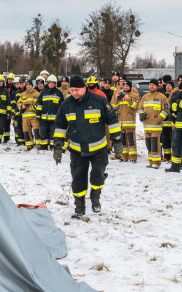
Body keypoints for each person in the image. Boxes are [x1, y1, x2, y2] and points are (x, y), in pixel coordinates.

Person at [52, 75, 123, 218]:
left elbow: (112, 120)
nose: (74, 93)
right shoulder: (66, 104)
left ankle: (95, 196)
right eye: (72, 90)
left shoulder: (99, 101)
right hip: (77, 150)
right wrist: (58, 146)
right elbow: (60, 126)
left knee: (97, 177)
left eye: (77, 90)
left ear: (85, 88)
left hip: (99, 149)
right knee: (78, 179)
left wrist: (117, 140)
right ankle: (79, 206)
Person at [138, 79, 168, 168]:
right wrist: (141, 115)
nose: (151, 86)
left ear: (157, 86)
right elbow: (141, 107)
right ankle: (151, 162)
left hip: (156, 126)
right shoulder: (145, 97)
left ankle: (156, 162)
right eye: (150, 85)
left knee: (155, 144)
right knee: (148, 145)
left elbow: (166, 110)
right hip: (146, 125)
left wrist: (158, 119)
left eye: (153, 85)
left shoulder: (162, 97)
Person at [112, 78, 139, 162]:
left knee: (131, 141)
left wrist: (128, 99)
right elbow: (113, 107)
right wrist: (116, 98)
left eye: (127, 86)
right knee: (123, 141)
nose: (126, 87)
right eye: (124, 86)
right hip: (121, 122)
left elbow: (136, 106)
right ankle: (124, 157)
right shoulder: (119, 94)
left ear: (130, 87)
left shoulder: (134, 95)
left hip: (130, 122)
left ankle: (133, 157)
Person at [36, 75, 62, 151]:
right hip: (44, 119)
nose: (51, 84)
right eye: (50, 83)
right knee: (43, 134)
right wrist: (38, 114)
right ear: (47, 83)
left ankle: (52, 147)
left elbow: (61, 106)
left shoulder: (58, 93)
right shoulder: (44, 92)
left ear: (55, 84)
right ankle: (43, 148)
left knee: (53, 134)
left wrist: (60, 116)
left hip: (54, 119)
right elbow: (40, 104)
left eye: (53, 83)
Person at [17, 78, 40, 151]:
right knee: (26, 131)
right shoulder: (23, 94)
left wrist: (34, 107)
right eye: (27, 85)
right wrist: (21, 106)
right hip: (25, 117)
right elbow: (18, 102)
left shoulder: (37, 94)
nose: (28, 86)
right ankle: (29, 145)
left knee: (36, 130)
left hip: (34, 116)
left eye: (30, 85)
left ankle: (38, 145)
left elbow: (40, 104)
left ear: (32, 86)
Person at [160, 76, 174, 163]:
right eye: (167, 85)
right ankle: (166, 156)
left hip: (171, 123)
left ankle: (173, 156)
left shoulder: (174, 95)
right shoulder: (163, 96)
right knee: (165, 141)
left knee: (172, 140)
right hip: (164, 122)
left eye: (170, 85)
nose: (168, 87)